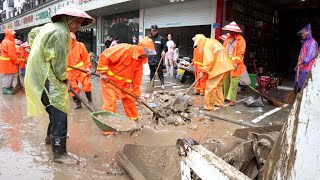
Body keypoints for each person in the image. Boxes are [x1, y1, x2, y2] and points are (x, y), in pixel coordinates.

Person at [24, 6, 94, 165]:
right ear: (66, 18)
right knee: (60, 113)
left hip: (38, 74)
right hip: (49, 77)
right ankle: (59, 154)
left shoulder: (49, 27)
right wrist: (64, 79)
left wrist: (38, 51)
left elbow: (32, 34)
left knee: (52, 110)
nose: (77, 25)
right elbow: (59, 63)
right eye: (75, 21)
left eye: (80, 22)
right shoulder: (61, 33)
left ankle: (50, 138)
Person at [97, 36, 156, 123]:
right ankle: (108, 129)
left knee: (130, 101)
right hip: (110, 82)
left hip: (124, 86)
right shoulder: (125, 49)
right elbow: (105, 55)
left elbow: (137, 80)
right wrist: (103, 73)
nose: (148, 56)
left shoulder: (140, 61)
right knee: (110, 103)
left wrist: (137, 95)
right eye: (147, 53)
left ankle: (134, 123)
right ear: (142, 50)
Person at [193, 34, 233, 109]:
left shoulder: (207, 46)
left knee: (210, 86)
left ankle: (208, 106)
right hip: (225, 66)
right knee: (217, 86)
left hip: (218, 68)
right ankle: (219, 103)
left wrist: (204, 70)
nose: (198, 46)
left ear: (200, 41)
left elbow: (209, 60)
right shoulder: (212, 42)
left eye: (198, 44)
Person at [222, 21, 246, 106]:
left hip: (235, 62)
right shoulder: (227, 39)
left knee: (234, 81)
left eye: (231, 31)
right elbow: (223, 50)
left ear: (235, 31)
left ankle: (232, 99)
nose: (229, 32)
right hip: (227, 61)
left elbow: (241, 53)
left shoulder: (241, 40)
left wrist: (236, 63)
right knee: (226, 80)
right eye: (229, 30)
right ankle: (225, 97)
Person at [67, 32, 93, 109]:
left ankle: (90, 102)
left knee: (87, 84)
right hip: (69, 71)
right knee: (73, 88)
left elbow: (86, 57)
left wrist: (87, 67)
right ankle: (78, 103)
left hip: (81, 69)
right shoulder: (62, 47)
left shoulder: (80, 45)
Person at [296, 23, 318, 92]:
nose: (302, 35)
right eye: (301, 33)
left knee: (305, 88)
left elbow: (310, 55)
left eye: (303, 33)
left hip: (307, 68)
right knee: (299, 87)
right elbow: (301, 54)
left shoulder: (312, 42)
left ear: (308, 33)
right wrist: (298, 63)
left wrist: (302, 62)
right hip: (302, 67)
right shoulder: (305, 42)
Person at [0, 29, 23, 94]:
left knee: (8, 75)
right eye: (13, 34)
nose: (14, 35)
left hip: (6, 63)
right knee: (8, 76)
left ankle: (8, 87)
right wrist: (17, 61)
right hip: (8, 63)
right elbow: (11, 54)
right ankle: (6, 88)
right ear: (10, 34)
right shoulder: (9, 42)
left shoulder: (6, 41)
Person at [148, 25, 167, 90]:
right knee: (152, 72)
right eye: (153, 30)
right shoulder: (148, 39)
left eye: (155, 30)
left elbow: (165, 47)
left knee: (160, 72)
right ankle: (151, 84)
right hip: (151, 58)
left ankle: (162, 84)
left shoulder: (161, 39)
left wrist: (164, 51)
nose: (154, 32)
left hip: (158, 58)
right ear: (151, 30)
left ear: (157, 31)